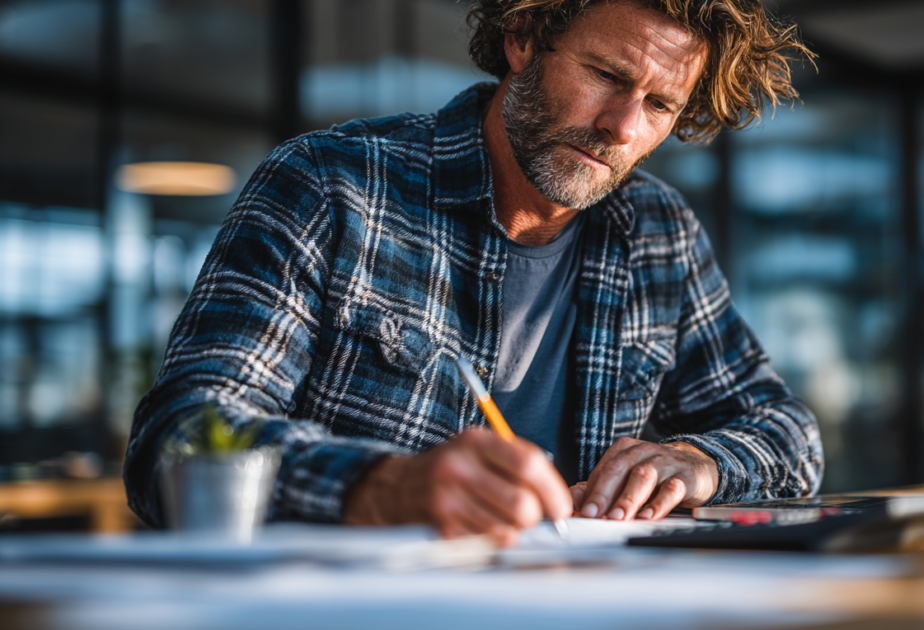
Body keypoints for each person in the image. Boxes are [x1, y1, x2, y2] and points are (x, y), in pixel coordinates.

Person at [124, 0, 824, 545]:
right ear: (523, 39)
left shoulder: (658, 233)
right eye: (607, 76)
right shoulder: (332, 185)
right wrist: (378, 489)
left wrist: (701, 462)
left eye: (661, 105)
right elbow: (180, 440)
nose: (622, 127)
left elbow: (790, 432)